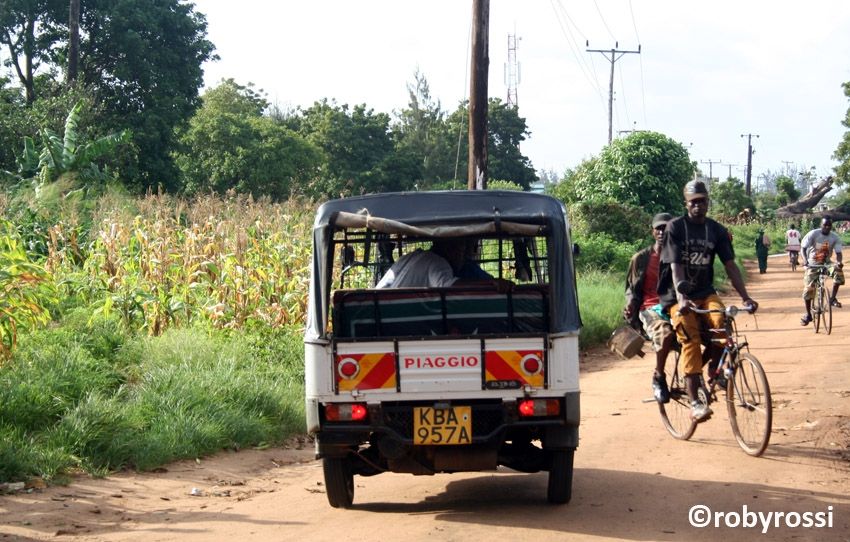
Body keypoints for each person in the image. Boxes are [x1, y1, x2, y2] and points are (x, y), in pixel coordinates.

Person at [657, 180, 759, 422]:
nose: (698, 206)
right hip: (677, 297)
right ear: (686, 203)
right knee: (690, 338)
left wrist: (746, 297)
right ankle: (695, 404)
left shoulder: (716, 230)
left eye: (702, 201)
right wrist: (682, 298)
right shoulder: (675, 228)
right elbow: (675, 267)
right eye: (693, 202)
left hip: (706, 292)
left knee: (722, 322)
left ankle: (715, 369)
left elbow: (730, 265)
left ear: (707, 202)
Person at [623, 212, 676, 404]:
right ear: (652, 232)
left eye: (666, 228)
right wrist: (629, 304)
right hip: (650, 308)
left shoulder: (679, 255)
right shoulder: (641, 258)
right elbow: (630, 288)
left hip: (676, 306)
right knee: (665, 334)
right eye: (659, 228)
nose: (662, 232)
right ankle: (659, 376)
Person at [377, 238, 510, 291]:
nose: (463, 257)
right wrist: (493, 284)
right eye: (462, 250)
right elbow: (449, 286)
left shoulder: (410, 257)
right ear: (449, 249)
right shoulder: (437, 263)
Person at [800, 216, 844, 325]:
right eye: (825, 225)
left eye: (829, 225)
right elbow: (803, 248)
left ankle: (832, 299)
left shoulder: (835, 237)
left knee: (838, 271)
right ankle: (808, 315)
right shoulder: (813, 234)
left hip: (826, 264)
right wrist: (805, 260)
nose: (827, 227)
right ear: (821, 225)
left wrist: (839, 262)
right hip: (812, 264)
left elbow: (838, 253)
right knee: (808, 290)